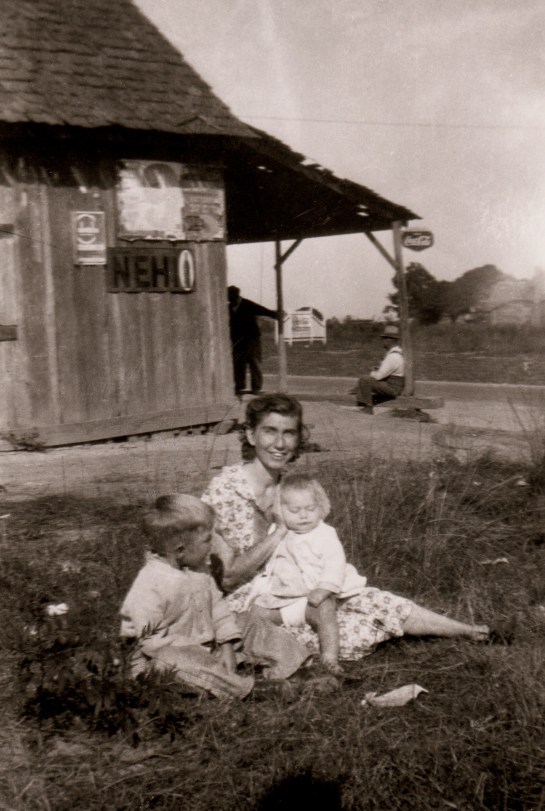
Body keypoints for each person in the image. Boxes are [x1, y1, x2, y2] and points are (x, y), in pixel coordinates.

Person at [203, 393, 491, 667]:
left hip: (300, 586)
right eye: (270, 431)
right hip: (251, 604)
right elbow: (228, 578)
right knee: (337, 631)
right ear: (251, 435)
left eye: (289, 433)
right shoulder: (227, 490)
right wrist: (280, 530)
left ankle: (472, 632)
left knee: (375, 600)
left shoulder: (291, 487)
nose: (280, 443)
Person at [119, 494, 254, 700]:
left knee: (251, 622)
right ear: (180, 551)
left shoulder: (199, 571)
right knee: (172, 663)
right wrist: (199, 652)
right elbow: (152, 642)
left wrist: (227, 644)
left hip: (210, 647)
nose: (213, 545)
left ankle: (295, 666)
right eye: (207, 540)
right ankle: (247, 690)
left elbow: (219, 610)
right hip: (160, 656)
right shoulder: (149, 584)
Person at [250, 472, 366, 674]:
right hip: (285, 596)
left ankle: (330, 657)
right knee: (255, 614)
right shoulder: (277, 533)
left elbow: (335, 564)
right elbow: (270, 564)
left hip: (316, 593)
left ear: (320, 508)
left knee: (325, 608)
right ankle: (260, 653)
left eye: (310, 509)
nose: (303, 516)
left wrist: (324, 588)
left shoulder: (324, 534)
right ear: (280, 511)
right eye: (294, 510)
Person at [227, 285, 279, 396]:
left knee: (254, 361)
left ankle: (256, 388)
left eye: (231, 298)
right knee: (238, 363)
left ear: (236, 296)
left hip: (252, 339)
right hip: (237, 340)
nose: (230, 301)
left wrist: (274, 314)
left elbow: (262, 310)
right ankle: (240, 387)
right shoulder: (228, 307)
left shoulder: (247, 304)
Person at [354, 324, 405, 414]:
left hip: (392, 388)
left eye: (384, 338)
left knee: (365, 380)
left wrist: (372, 372)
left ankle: (368, 408)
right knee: (366, 380)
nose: (383, 341)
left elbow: (378, 376)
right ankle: (364, 402)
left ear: (390, 340)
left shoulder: (393, 356)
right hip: (394, 386)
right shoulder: (396, 354)